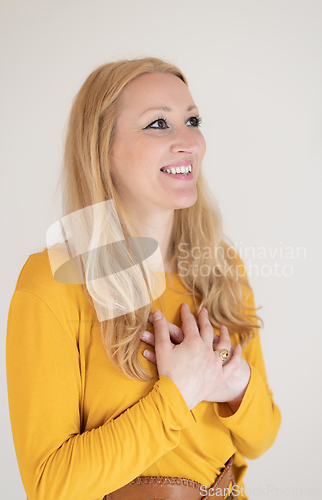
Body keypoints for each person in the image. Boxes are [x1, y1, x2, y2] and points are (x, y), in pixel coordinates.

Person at [6, 57, 281, 500]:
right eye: (158, 124)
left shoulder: (220, 266)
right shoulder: (53, 281)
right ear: (102, 149)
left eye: (193, 120)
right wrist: (179, 394)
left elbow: (260, 438)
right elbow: (50, 486)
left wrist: (236, 387)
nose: (188, 141)